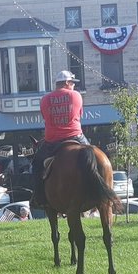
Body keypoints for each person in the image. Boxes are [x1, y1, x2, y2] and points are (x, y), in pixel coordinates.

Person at [30, 71, 89, 208]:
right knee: (93, 156)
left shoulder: (44, 99)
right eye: (73, 83)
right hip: (76, 136)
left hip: (52, 141)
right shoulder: (76, 95)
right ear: (67, 83)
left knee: (37, 165)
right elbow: (80, 115)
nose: (74, 86)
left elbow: (46, 118)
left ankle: (39, 196)